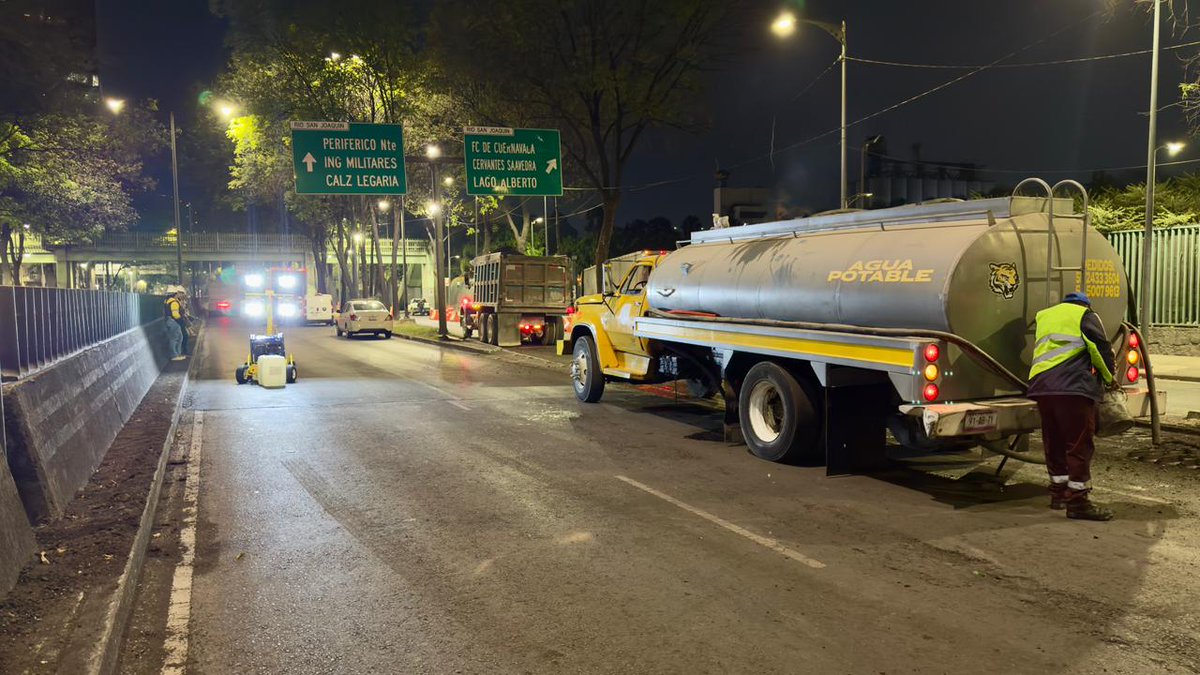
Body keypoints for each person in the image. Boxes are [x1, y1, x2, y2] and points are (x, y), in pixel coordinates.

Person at [1027, 292, 1118, 521]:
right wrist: (1109, 378)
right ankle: (1078, 503)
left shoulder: (1045, 315)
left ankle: (1058, 495)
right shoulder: (1085, 315)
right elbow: (1100, 349)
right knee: (1078, 443)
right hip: (1072, 387)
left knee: (1053, 440)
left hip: (1042, 387)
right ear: (1085, 304)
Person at [164, 292, 187, 361]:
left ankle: (178, 354)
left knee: (180, 337)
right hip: (174, 321)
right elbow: (175, 314)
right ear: (175, 295)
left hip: (171, 321)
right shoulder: (174, 302)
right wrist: (180, 320)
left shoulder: (169, 301)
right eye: (177, 294)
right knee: (175, 338)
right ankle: (174, 355)